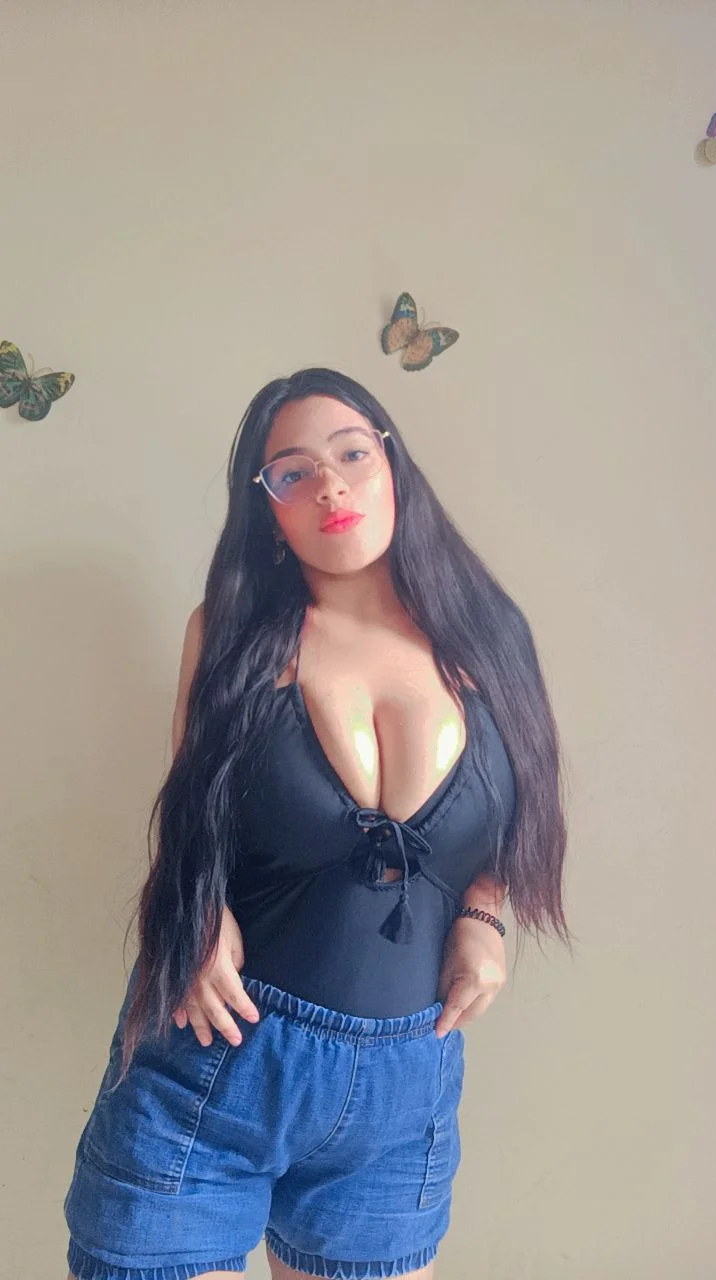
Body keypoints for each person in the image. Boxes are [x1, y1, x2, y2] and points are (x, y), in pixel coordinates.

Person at [63, 368, 572, 1280]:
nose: (330, 485)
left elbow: (516, 810)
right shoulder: (227, 633)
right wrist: (197, 913)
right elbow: (191, 819)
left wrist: (485, 914)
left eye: (351, 455)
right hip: (215, 1064)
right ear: (268, 512)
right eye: (293, 473)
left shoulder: (493, 636)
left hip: (402, 1094)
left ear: (392, 465)